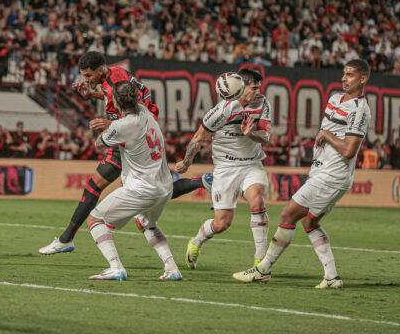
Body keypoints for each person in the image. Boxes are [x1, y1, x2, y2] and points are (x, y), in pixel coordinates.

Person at [39, 50, 212, 255]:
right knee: (153, 190)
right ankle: (200, 182)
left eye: (88, 76)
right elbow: (117, 98)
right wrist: (90, 94)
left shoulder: (113, 86)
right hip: (144, 134)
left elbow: (132, 115)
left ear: (100, 70)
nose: (85, 80)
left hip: (134, 137)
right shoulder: (116, 73)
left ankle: (66, 239)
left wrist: (112, 124)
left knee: (104, 187)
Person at [233, 59, 372, 289]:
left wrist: (326, 135)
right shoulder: (335, 99)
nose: (344, 79)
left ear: (363, 79)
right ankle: (332, 277)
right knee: (309, 221)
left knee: (288, 214)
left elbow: (349, 150)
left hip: (332, 176)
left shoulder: (359, 110)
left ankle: (263, 269)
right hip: (321, 171)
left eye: (349, 75)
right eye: (343, 74)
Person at [86, 82, 181, 281]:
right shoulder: (145, 111)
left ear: (115, 102)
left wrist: (109, 126)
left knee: (95, 219)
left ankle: (115, 267)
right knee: (146, 223)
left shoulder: (121, 125)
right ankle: (172, 268)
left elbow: (98, 144)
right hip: (164, 187)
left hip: (141, 189)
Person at [177, 69, 272, 268]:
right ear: (241, 87)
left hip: (251, 164)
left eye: (259, 88)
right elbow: (199, 137)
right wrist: (186, 162)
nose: (258, 92)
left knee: (257, 199)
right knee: (222, 223)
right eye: (254, 88)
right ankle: (195, 242)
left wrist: (250, 134)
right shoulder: (223, 110)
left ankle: (260, 262)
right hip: (225, 168)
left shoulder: (263, 103)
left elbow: (265, 136)